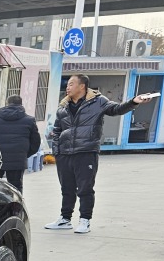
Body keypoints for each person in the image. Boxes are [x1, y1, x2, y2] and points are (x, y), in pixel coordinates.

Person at [45, 74, 155, 234]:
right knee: (66, 188)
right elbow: (57, 130)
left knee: (85, 188)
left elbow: (116, 109)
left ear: (82, 86)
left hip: (86, 151)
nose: (67, 87)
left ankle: (84, 221)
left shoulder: (98, 102)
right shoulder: (63, 106)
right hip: (65, 154)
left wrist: (133, 102)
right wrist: (57, 152)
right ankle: (65, 219)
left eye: (71, 84)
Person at [0, 95, 42, 192]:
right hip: (18, 159)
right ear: (21, 104)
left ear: (7, 103)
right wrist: (24, 154)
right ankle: (16, 206)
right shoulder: (29, 120)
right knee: (16, 188)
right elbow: (36, 142)